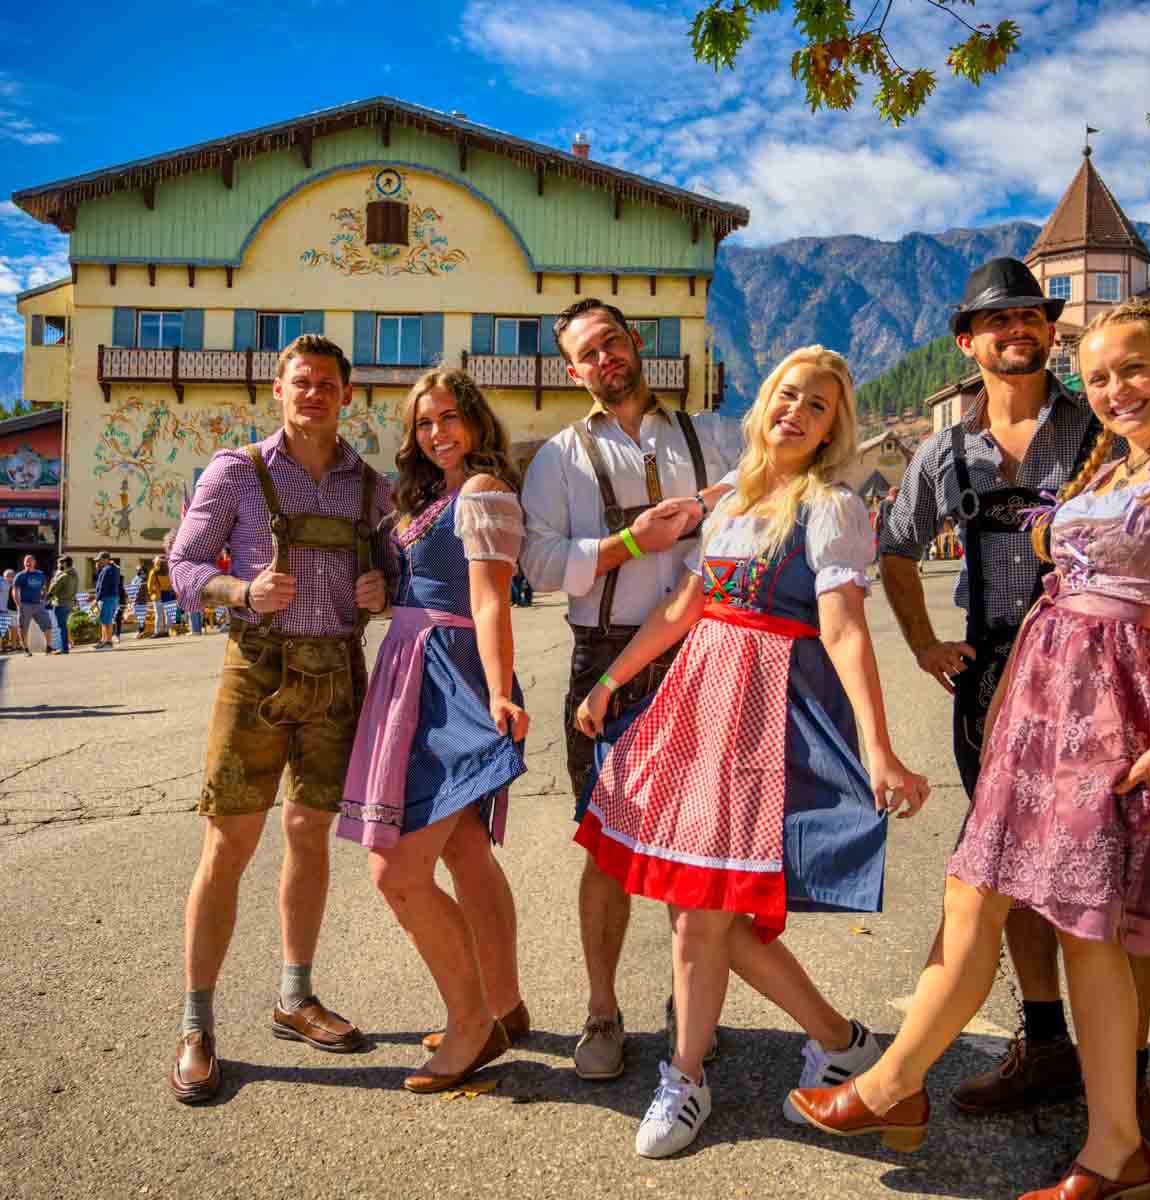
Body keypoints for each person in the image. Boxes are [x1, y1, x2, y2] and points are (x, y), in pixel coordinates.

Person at [791, 299, 1150, 1200]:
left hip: (1116, 711)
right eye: (1099, 378)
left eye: (1133, 370)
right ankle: (907, 1088)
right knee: (979, 892)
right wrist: (996, 698)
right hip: (1034, 706)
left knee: (1089, 926)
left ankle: (1108, 1145)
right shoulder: (1102, 467)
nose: (1116, 390)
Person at [574, 346, 928, 1158]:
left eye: (819, 406)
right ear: (767, 401)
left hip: (765, 715)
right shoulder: (733, 496)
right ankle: (840, 1040)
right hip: (699, 704)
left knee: (703, 913)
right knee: (708, 914)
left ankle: (686, 1076)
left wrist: (879, 747)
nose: (797, 413)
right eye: (789, 396)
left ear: (835, 426)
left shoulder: (832, 506)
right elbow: (684, 606)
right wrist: (611, 683)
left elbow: (842, 628)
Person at [877, 256, 1109, 1122]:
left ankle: (1123, 1058)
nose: (1020, 331)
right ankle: (1047, 1043)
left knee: (1095, 865)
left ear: (1050, 332)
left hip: (1093, 678)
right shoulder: (945, 450)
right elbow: (895, 547)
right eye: (999, 321)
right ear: (969, 343)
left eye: (1032, 317)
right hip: (994, 678)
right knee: (1006, 868)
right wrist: (925, 643)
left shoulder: (1097, 432)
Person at [165, 334, 392, 1105]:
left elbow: (395, 570)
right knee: (228, 841)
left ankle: (294, 997)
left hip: (338, 675)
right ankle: (196, 1023)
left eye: (328, 383)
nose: (314, 394)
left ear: (346, 396)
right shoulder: (237, 472)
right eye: (302, 382)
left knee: (307, 836)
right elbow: (183, 566)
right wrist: (240, 592)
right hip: (256, 671)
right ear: (278, 390)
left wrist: (382, 591)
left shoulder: (371, 485)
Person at [520, 297, 742, 1082]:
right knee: (606, 848)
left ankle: (691, 1003)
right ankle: (602, 1009)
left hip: (701, 653)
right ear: (574, 372)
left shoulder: (711, 436)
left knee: (694, 845)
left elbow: (749, 513)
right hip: (603, 656)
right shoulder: (559, 457)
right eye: (587, 353)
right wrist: (626, 544)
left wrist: (692, 552)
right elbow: (540, 565)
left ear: (636, 343)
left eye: (612, 341)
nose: (604, 358)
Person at [340, 368, 530, 1095]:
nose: (438, 432)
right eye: (425, 423)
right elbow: (432, 584)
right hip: (414, 668)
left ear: (476, 421)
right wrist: (387, 594)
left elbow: (488, 602)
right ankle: (505, 1006)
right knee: (466, 849)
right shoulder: (432, 498)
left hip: (451, 680)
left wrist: (495, 691)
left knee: (397, 870)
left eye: (450, 417)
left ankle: (471, 1022)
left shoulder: (481, 493)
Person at [13, 554, 53, 656]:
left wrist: (43, 600)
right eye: (26, 561)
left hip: (38, 605)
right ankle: (26, 649)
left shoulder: (40, 574)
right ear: (24, 563)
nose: (28, 563)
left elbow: (44, 588)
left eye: (30, 561)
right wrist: (18, 604)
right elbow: (15, 590)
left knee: (47, 625)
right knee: (23, 627)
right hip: (25, 605)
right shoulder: (20, 576)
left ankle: (49, 647)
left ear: (34, 563)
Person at [47, 555, 77, 654]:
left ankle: (64, 648)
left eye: (59, 563)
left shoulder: (63, 576)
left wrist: (55, 576)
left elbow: (53, 589)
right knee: (64, 626)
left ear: (64, 563)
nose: (58, 565)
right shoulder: (75, 574)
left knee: (61, 627)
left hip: (61, 603)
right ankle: (65, 646)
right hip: (70, 603)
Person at [93, 553, 124, 648]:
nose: (97, 562)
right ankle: (104, 640)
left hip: (107, 597)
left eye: (99, 560)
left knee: (107, 620)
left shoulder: (108, 569)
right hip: (110, 597)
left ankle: (108, 641)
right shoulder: (110, 569)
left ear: (106, 559)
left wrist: (96, 599)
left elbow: (102, 586)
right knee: (105, 620)